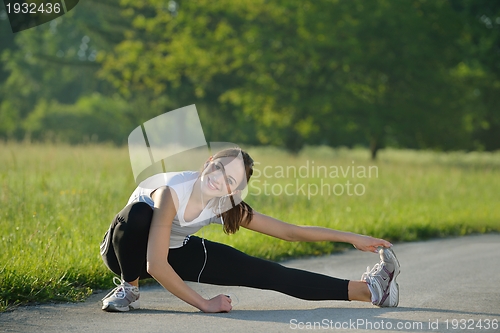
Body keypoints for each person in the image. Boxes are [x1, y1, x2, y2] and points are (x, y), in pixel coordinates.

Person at [100, 148, 400, 313]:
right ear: (208, 162)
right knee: (139, 214)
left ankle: (371, 291)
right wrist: (205, 304)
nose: (220, 180)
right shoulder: (172, 191)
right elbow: (155, 264)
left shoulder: (225, 204)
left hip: (174, 250)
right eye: (219, 168)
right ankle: (129, 287)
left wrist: (353, 238)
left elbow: (290, 232)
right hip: (125, 253)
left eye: (231, 180)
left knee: (268, 272)